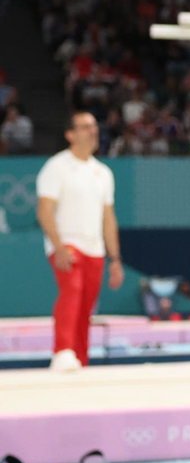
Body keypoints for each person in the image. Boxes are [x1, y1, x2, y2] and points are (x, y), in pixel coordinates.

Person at [36, 110, 124, 370]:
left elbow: (108, 219)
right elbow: (44, 210)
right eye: (85, 127)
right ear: (70, 134)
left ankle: (80, 359)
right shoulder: (56, 167)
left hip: (95, 248)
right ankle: (62, 351)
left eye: (95, 126)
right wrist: (59, 245)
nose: (93, 131)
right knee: (71, 291)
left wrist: (115, 259)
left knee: (86, 307)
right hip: (67, 243)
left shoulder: (103, 172)